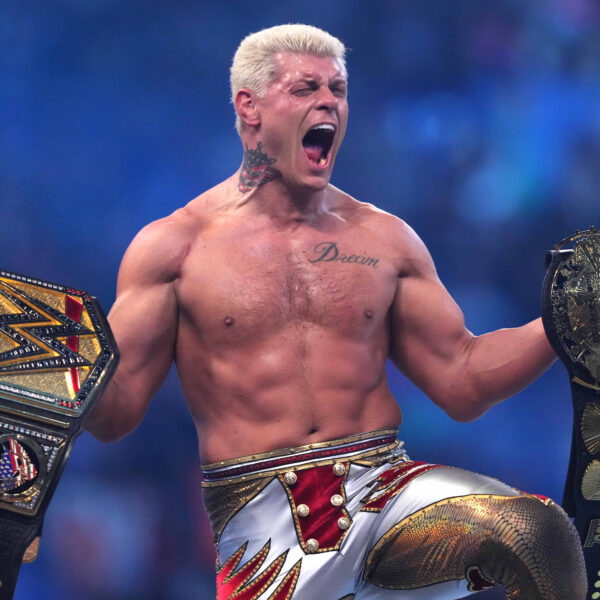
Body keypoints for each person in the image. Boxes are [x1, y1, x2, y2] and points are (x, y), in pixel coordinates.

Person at [85, 24, 586, 599]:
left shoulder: (385, 239)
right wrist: (55, 361)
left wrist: (561, 319)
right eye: (306, 89)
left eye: (338, 89)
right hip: (264, 525)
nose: (329, 102)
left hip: (385, 493)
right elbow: (115, 412)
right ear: (249, 107)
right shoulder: (175, 248)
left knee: (534, 533)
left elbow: (463, 379)